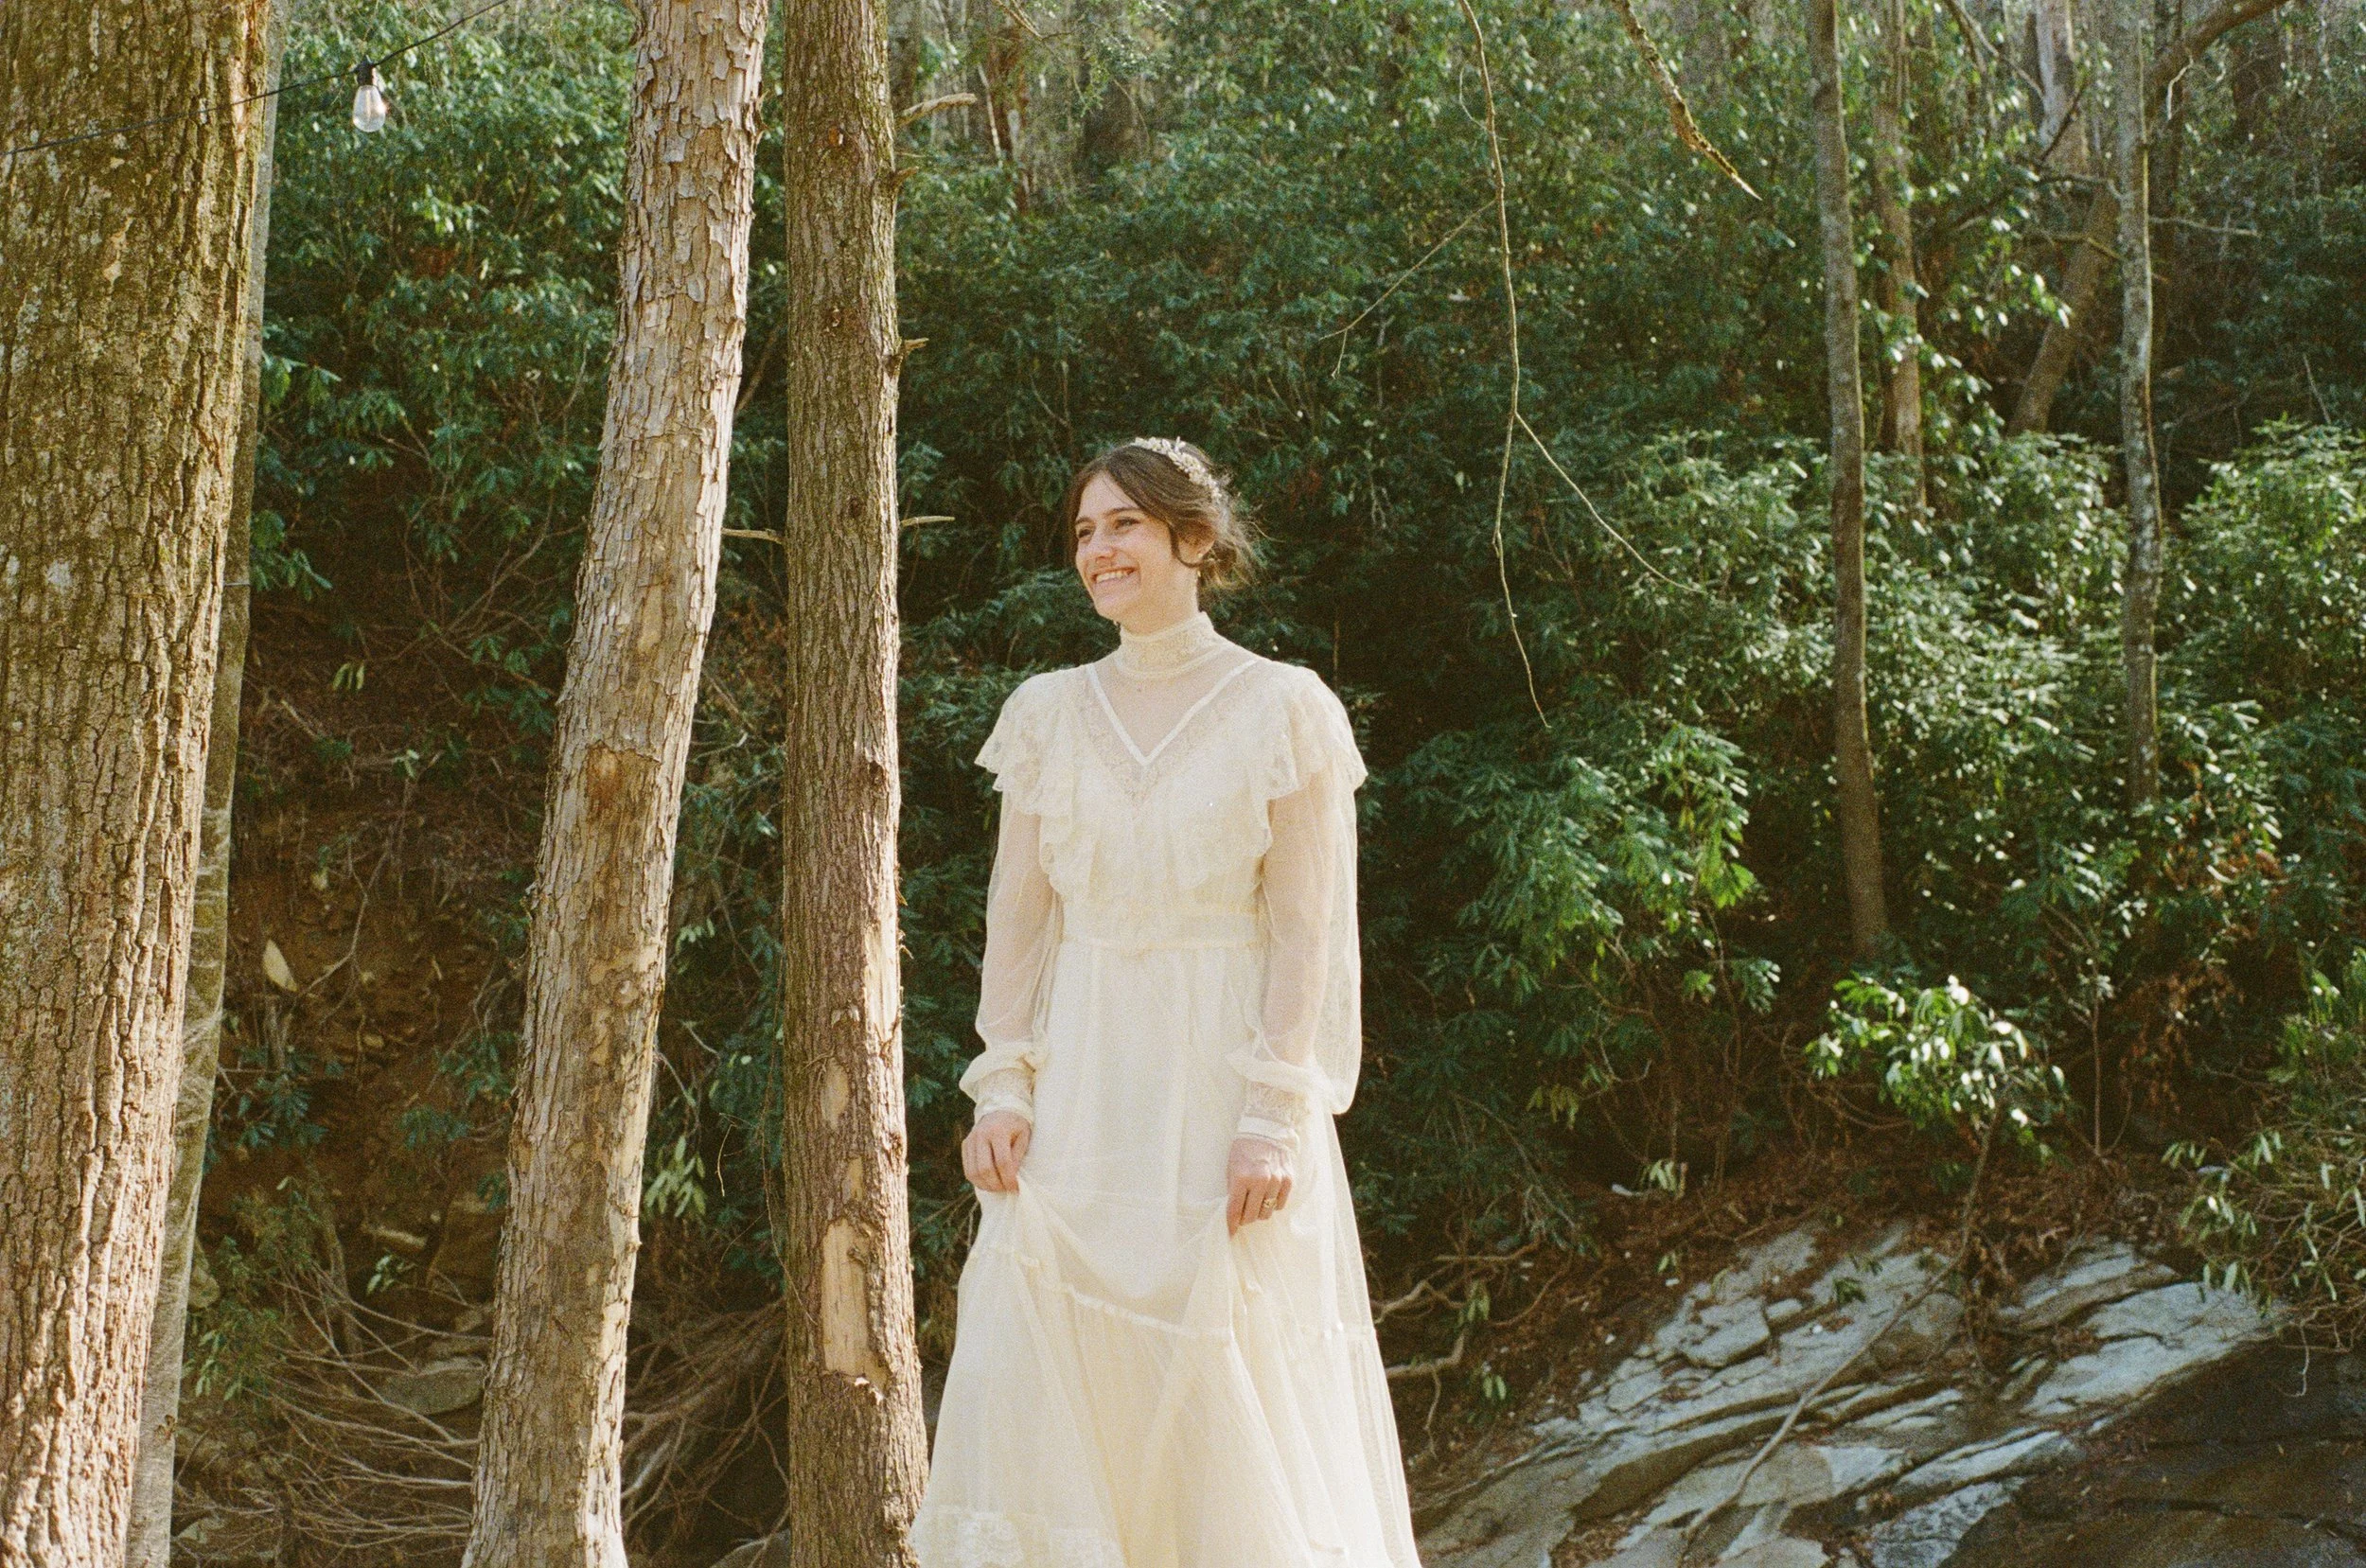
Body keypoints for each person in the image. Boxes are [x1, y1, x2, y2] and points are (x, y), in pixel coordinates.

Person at [911, 438, 1424, 1567]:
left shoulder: (1284, 707)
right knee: (1054, 1376)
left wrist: (1275, 1112)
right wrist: (1002, 1081)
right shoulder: (1045, 712)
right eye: (1085, 532)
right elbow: (1021, 922)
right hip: (1084, 1101)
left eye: (1124, 526)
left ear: (1195, 539)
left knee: (1227, 1380)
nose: (1098, 551)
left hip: (1216, 1104)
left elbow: (1306, 931)